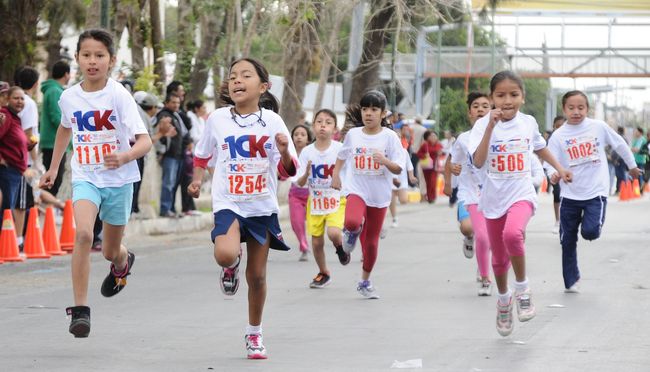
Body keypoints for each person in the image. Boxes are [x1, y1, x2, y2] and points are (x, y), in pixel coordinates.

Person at [39, 29, 152, 338]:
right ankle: (80, 312)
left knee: (110, 251)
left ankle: (123, 262)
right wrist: (53, 167)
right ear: (77, 59)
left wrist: (125, 156)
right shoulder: (69, 97)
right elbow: (65, 128)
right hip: (86, 176)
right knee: (85, 234)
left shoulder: (118, 96)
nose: (92, 61)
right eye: (86, 55)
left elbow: (145, 142)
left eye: (99, 56)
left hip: (119, 180)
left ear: (111, 61)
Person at [188, 58, 298, 360]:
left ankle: (254, 333)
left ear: (263, 87)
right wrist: (197, 181)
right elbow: (201, 155)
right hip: (229, 202)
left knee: (258, 276)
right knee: (225, 252)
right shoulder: (218, 119)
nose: (237, 80)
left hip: (261, 207)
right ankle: (230, 264)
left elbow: (288, 171)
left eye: (245, 76)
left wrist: (285, 149)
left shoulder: (273, 123)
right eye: (233, 76)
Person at [468, 70, 571, 337]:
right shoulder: (481, 126)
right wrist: (490, 126)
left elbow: (540, 147)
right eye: (500, 95)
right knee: (499, 260)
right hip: (492, 198)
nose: (507, 100)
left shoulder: (528, 122)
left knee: (513, 234)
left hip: (521, 192)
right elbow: (478, 162)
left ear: (522, 97)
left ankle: (523, 288)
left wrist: (559, 166)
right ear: (491, 98)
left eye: (513, 94)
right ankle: (504, 299)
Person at [546, 91, 641, 293]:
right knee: (567, 240)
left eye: (581, 107)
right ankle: (571, 279)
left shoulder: (598, 127)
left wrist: (631, 166)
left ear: (587, 109)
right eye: (571, 108)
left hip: (595, 192)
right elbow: (550, 160)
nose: (576, 112)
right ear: (564, 109)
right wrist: (554, 174)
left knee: (590, 232)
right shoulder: (559, 135)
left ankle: (589, 225)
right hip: (569, 195)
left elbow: (619, 144)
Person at [331, 90, 404, 299]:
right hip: (357, 188)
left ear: (383, 113)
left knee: (371, 243)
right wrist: (336, 174)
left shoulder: (390, 137)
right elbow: (342, 155)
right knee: (353, 221)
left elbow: (398, 167)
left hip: (379, 195)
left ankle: (365, 281)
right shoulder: (354, 135)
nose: (368, 113)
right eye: (365, 109)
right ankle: (352, 231)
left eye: (373, 109)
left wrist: (386, 161)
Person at [444, 91, 494, 295]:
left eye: (485, 105)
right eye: (476, 106)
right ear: (469, 113)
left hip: (493, 195)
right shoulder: (463, 138)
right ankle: (468, 239)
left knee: (486, 237)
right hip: (469, 192)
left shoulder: (499, 135)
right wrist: (450, 177)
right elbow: (452, 161)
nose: (481, 109)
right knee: (468, 228)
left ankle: (484, 277)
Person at [296, 108, 350, 288]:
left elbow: (351, 171)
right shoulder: (307, 152)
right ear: (313, 126)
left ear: (335, 128)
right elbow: (300, 182)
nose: (323, 126)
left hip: (336, 198)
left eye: (328, 123)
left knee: (334, 233)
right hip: (316, 201)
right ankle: (323, 272)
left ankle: (340, 249)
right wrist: (306, 174)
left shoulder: (340, 149)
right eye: (319, 122)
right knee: (317, 241)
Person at [13, 67, 41, 249]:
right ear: (35, 83)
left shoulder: (13, 101)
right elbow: (29, 134)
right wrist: (36, 161)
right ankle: (18, 240)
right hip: (24, 159)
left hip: (14, 157)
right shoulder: (29, 103)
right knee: (22, 202)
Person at [40, 60, 71, 198]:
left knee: (54, 181)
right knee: (53, 181)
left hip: (52, 142)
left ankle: (49, 211)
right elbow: (56, 117)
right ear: (66, 74)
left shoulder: (53, 90)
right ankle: (48, 213)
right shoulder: (54, 91)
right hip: (53, 143)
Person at [156, 94, 187, 217]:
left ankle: (172, 208)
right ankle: (165, 209)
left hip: (178, 155)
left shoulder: (176, 115)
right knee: (168, 183)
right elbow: (162, 135)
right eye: (173, 102)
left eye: (178, 103)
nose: (176, 105)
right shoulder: (164, 115)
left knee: (173, 183)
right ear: (166, 103)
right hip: (169, 154)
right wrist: (163, 151)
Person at [0, 87, 28, 215]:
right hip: (7, 171)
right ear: (7, 99)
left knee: (9, 211)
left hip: (15, 172)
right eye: (16, 98)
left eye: (22, 98)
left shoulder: (15, 118)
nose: (20, 101)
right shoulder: (5, 116)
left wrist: (28, 146)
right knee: (6, 212)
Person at [288, 124, 312, 261]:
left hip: (312, 194)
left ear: (308, 139)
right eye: (296, 134)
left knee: (318, 224)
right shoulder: (288, 154)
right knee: (296, 223)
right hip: (295, 193)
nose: (299, 137)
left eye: (302, 135)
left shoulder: (313, 152)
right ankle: (304, 247)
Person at [388, 146, 417, 228]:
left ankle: (397, 194)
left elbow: (409, 165)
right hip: (389, 179)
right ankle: (394, 219)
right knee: (391, 201)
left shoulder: (404, 151)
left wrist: (411, 176)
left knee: (403, 200)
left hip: (402, 179)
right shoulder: (386, 150)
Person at [548, 115, 565, 233]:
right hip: (556, 172)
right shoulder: (551, 139)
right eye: (557, 127)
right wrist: (551, 173)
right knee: (557, 193)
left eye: (562, 126)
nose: (559, 129)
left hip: (569, 172)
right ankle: (558, 220)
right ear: (554, 127)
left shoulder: (571, 137)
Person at [417, 130, 443, 203]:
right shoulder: (425, 145)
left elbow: (443, 153)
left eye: (434, 136)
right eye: (431, 136)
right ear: (428, 137)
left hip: (435, 166)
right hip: (426, 166)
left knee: (433, 182)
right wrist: (424, 156)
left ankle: (432, 197)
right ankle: (429, 197)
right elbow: (418, 154)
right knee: (428, 182)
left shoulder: (439, 145)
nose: (433, 137)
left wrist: (439, 153)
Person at [630, 126, 647, 194]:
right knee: (635, 175)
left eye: (636, 131)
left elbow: (636, 149)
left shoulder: (641, 139)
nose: (635, 133)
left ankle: (639, 190)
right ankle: (635, 190)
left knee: (639, 175)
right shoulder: (636, 139)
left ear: (640, 132)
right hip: (635, 160)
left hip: (640, 160)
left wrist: (631, 149)